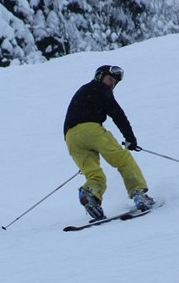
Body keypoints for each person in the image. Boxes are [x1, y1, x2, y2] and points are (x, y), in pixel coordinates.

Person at [64, 65, 155, 221]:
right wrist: (130, 139)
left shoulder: (83, 91)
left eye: (114, 83)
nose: (112, 84)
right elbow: (117, 114)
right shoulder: (100, 89)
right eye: (110, 79)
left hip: (71, 137)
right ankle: (139, 193)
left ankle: (90, 194)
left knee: (94, 174)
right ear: (100, 76)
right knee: (123, 159)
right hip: (91, 129)